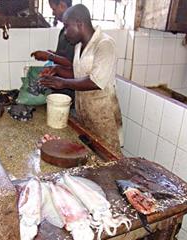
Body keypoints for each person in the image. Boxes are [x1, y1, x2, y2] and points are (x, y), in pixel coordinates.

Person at [39, 4, 123, 154]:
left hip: (103, 115)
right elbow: (77, 75)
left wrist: (63, 83)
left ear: (79, 23)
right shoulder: (79, 46)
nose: (65, 32)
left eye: (66, 26)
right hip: (84, 112)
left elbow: (95, 81)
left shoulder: (105, 44)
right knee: (90, 156)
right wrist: (57, 72)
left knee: (109, 156)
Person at [31, 0, 74, 67]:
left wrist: (49, 56)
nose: (53, 13)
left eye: (54, 9)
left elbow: (72, 64)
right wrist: (49, 54)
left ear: (62, 5)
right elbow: (63, 56)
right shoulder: (63, 31)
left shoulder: (75, 32)